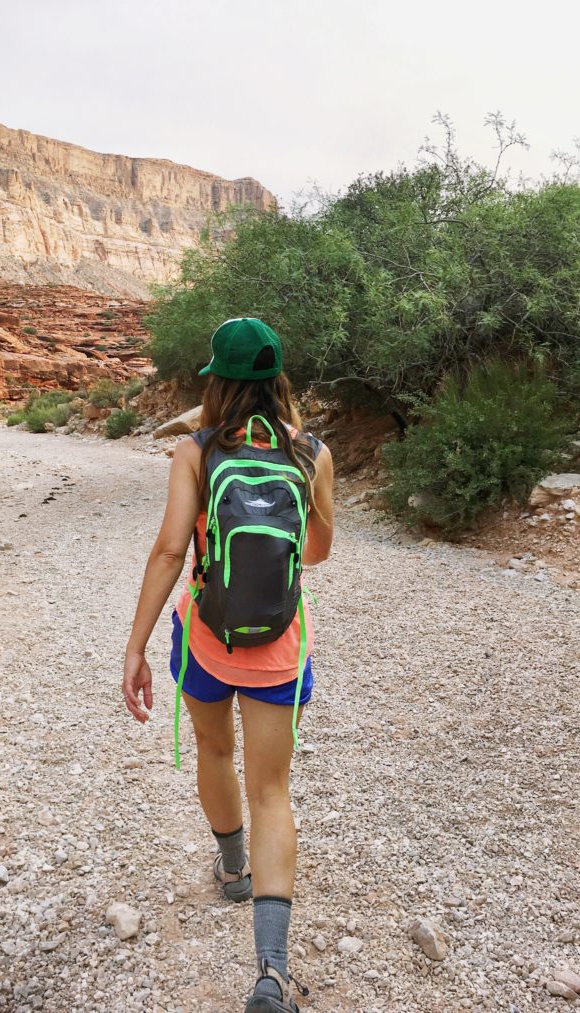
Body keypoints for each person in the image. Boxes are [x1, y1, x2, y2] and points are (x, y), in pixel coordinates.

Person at [122, 318, 334, 1013]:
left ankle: (234, 866)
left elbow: (168, 552)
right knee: (273, 789)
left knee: (215, 748)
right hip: (278, 645)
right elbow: (316, 551)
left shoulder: (197, 450)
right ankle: (271, 971)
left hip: (207, 639)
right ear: (279, 379)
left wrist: (137, 645)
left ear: (217, 380)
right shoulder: (313, 454)